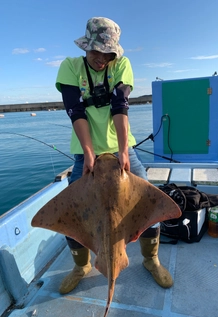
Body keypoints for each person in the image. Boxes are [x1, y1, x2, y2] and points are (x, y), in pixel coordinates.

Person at [55, 16, 173, 294]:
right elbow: (76, 110)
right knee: (71, 213)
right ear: (86, 46)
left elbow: (120, 105)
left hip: (123, 151)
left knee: (149, 204)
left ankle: (150, 259)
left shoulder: (121, 64)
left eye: (107, 53)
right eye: (96, 51)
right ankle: (81, 265)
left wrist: (123, 152)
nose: (101, 58)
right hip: (87, 155)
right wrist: (88, 154)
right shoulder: (70, 67)